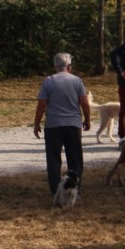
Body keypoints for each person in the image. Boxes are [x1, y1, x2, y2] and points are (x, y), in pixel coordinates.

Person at [32, 53, 91, 196]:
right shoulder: (77, 81)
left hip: (53, 125)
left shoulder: (48, 81)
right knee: (75, 159)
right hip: (73, 124)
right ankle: (74, 188)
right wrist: (87, 119)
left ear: (55, 66)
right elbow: (84, 102)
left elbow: (42, 104)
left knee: (53, 159)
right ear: (69, 67)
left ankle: (55, 191)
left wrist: (36, 123)